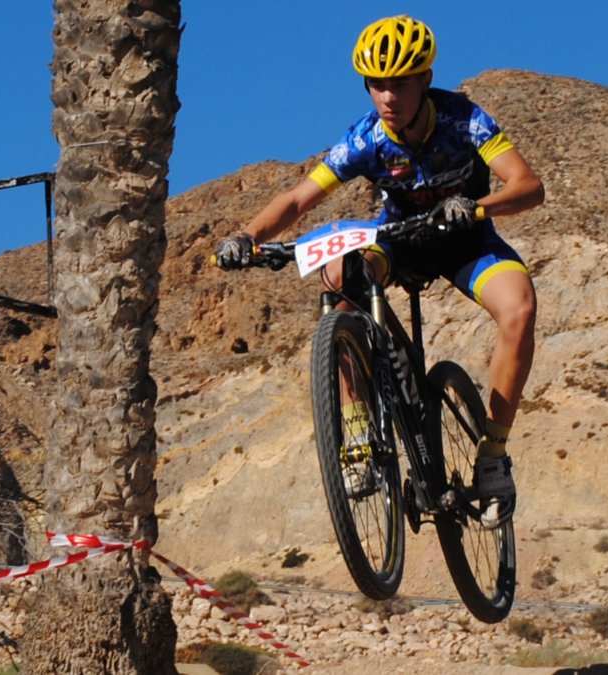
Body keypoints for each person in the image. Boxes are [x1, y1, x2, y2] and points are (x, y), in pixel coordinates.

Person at [215, 15, 543, 528]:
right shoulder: (365, 139)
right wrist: (247, 237)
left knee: (519, 309)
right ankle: (359, 431)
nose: (387, 96)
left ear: (425, 80)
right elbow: (300, 197)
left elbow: (527, 185)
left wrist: (478, 207)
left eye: (400, 82)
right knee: (339, 277)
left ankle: (493, 453)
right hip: (401, 241)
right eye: (376, 84)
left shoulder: (464, 120)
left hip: (465, 241)